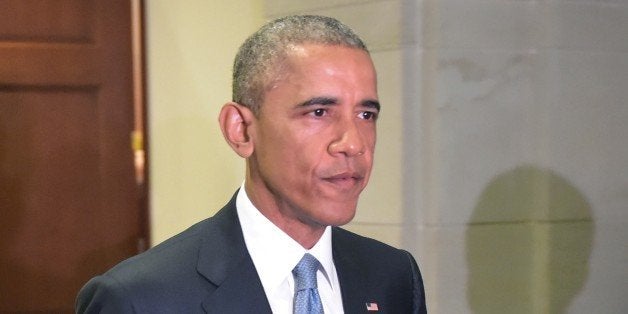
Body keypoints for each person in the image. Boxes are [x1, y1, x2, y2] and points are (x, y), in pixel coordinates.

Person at [76, 15, 427, 314]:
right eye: (319, 112)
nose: (352, 143)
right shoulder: (139, 299)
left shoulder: (393, 275)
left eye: (367, 114)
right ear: (241, 130)